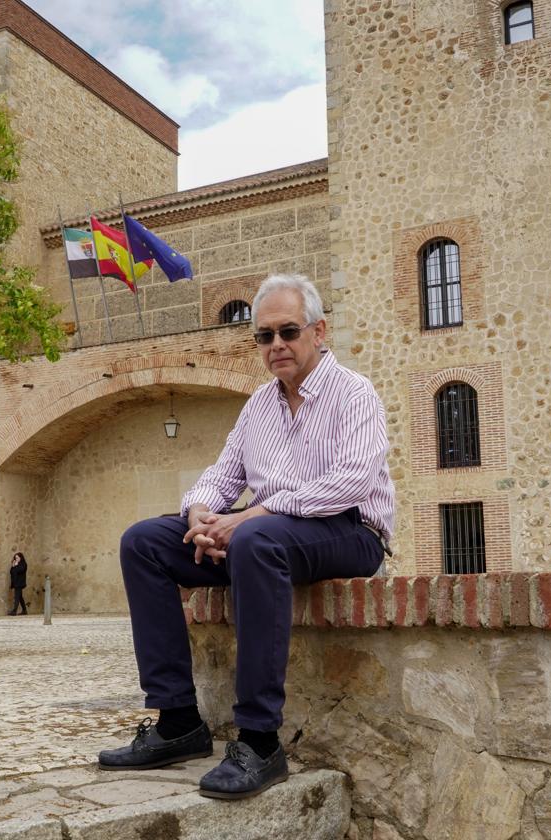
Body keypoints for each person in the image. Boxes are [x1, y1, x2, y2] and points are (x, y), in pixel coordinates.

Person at [99, 274, 395, 800]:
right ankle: (179, 722)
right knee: (143, 541)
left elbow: (350, 482)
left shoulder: (355, 393)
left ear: (319, 331)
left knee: (257, 540)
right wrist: (201, 514)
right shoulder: (258, 404)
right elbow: (222, 472)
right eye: (264, 336)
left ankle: (259, 741)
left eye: (288, 331)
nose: (276, 344)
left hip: (350, 530)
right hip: (267, 530)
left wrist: (252, 515)